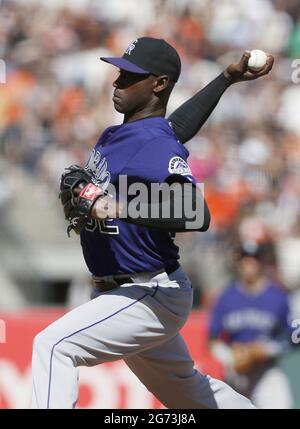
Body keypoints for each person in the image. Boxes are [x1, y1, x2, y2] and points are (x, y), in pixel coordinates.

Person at [31, 37, 273, 409]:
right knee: (188, 391)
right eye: (119, 73)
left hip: (149, 291)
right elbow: (175, 128)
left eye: (130, 77)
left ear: (159, 83)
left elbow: (196, 212)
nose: (117, 82)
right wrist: (225, 79)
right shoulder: (129, 134)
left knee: (53, 347)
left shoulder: (155, 146)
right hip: (127, 291)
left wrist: (112, 206)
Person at [209, 242, 293, 409]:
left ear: (261, 263)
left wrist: (266, 349)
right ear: (237, 264)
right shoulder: (226, 297)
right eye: (244, 260)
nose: (249, 265)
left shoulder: (278, 296)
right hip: (236, 373)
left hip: (266, 372)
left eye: (253, 260)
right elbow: (212, 340)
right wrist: (231, 356)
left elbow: (293, 338)